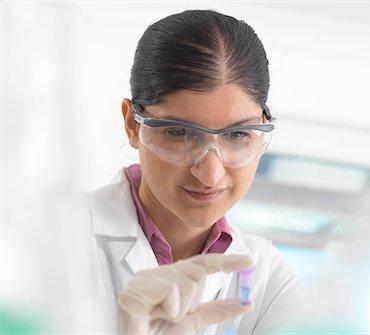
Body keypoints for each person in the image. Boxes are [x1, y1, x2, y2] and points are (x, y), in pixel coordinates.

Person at [79, 9, 303, 334]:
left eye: (238, 134)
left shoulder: (267, 276)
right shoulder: (56, 234)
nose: (210, 174)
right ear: (132, 124)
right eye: (180, 133)